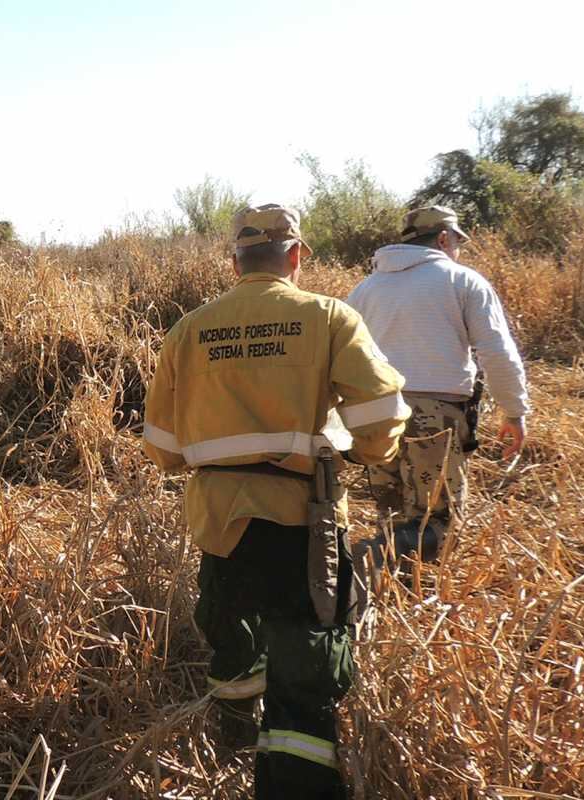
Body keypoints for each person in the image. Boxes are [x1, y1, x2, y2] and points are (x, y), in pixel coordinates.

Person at [142, 204, 410, 799]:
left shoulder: (190, 329)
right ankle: (295, 782)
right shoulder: (329, 318)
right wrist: (367, 451)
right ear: (296, 256)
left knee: (232, 632)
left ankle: (231, 740)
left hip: (218, 519)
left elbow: (161, 446)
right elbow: (383, 414)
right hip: (304, 521)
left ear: (235, 259)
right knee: (307, 658)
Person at [346, 205, 529, 561]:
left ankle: (382, 588)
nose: (457, 249)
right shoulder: (463, 281)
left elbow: (345, 355)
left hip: (375, 412)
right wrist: (515, 410)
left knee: (393, 516)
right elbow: (496, 351)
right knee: (437, 523)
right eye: (457, 242)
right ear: (444, 238)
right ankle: (367, 558)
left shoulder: (365, 290)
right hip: (436, 416)